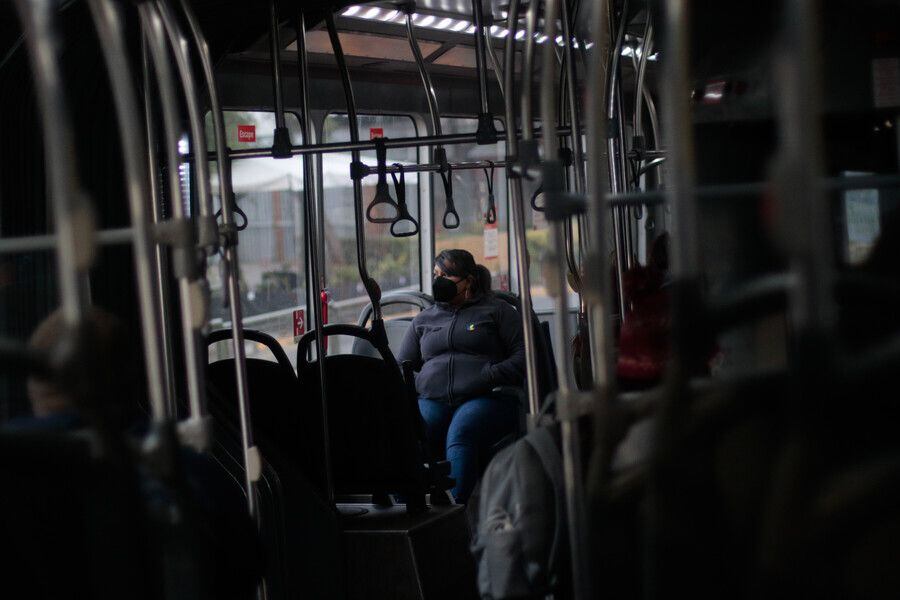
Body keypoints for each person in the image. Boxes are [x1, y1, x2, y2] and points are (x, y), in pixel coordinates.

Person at [397, 249, 525, 503]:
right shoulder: (424, 319)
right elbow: (403, 364)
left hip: (488, 396)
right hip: (433, 398)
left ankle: (455, 514)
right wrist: (417, 387)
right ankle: (405, 510)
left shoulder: (498, 311)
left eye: (447, 275)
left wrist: (490, 375)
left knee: (462, 430)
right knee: (411, 434)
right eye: (436, 274)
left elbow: (524, 357)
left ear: (469, 280)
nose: (439, 281)